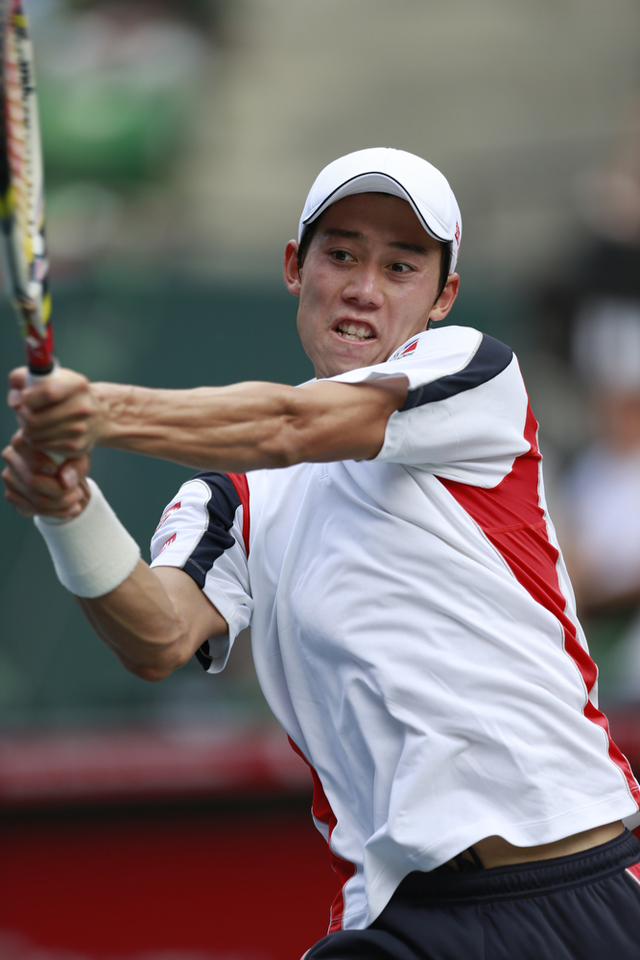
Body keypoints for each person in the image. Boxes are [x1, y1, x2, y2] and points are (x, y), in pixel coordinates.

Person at [3, 148, 640, 960]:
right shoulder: (226, 503)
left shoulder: (475, 375)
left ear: (443, 296)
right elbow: (158, 636)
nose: (364, 287)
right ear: (294, 268)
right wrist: (68, 508)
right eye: (340, 254)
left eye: (400, 265)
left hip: (582, 888)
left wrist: (96, 409)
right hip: (404, 925)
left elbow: (291, 427)